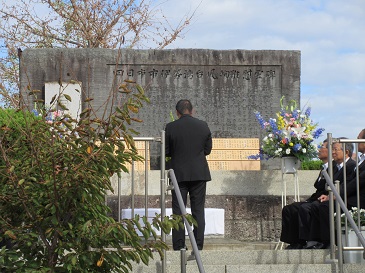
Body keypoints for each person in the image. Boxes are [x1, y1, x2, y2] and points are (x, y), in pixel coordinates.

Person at [165, 99, 212, 252]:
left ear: (177, 112)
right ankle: (198, 245)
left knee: (178, 210)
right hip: (199, 172)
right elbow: (207, 150)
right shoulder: (203, 125)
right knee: (198, 209)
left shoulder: (171, 127)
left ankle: (179, 245)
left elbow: (166, 151)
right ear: (192, 111)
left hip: (178, 173)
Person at [280, 139, 335, 249]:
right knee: (289, 209)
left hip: (324, 199)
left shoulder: (334, 167)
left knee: (305, 208)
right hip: (316, 197)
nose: (319, 150)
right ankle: (294, 241)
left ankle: (310, 240)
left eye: (322, 147)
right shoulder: (324, 167)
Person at [304, 138, 357, 249]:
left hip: (345, 199)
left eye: (335, 149)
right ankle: (313, 240)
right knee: (311, 206)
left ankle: (328, 241)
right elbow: (321, 185)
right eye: (332, 149)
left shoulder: (352, 166)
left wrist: (331, 197)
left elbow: (347, 186)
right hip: (331, 197)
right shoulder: (333, 167)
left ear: (346, 152)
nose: (332, 152)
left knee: (322, 207)